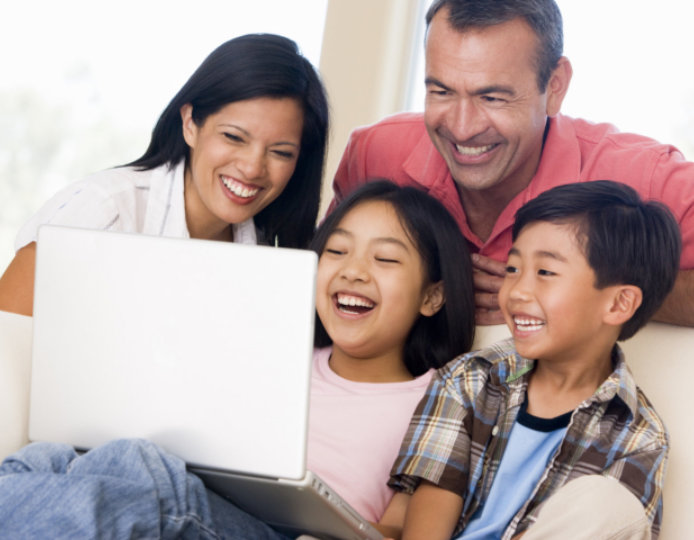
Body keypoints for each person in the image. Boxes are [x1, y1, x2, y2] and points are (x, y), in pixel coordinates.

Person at [0, 181, 476, 538]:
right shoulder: (275, 347)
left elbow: (398, 528)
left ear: (432, 297)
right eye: (336, 250)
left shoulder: (436, 396)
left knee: (144, 468)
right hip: (197, 498)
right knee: (50, 456)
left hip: (278, 532)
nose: (353, 270)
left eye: (386, 260)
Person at [330, 0, 694, 327]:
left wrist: (556, 288)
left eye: (491, 97)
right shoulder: (374, 153)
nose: (461, 127)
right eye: (441, 91)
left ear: (554, 87)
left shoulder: (643, 176)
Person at [383, 180, 680, 540]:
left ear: (618, 304)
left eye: (545, 273)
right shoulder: (469, 379)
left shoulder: (641, 438)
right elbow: (423, 532)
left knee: (610, 504)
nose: (517, 291)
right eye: (512, 269)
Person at [0, 33, 329, 317]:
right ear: (190, 124)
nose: (253, 167)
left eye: (281, 152)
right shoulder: (105, 210)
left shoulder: (269, 259)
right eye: (233, 137)